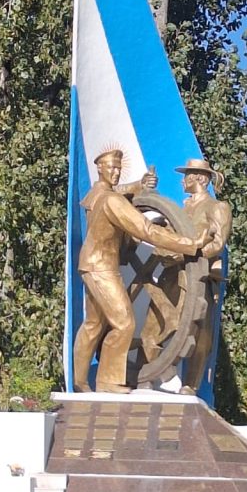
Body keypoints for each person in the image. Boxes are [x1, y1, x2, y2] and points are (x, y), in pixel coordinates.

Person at [73, 148, 213, 394]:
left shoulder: (96, 196)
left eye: (118, 168)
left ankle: (80, 381)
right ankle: (107, 382)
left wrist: (139, 185)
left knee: (94, 324)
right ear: (99, 169)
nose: (116, 172)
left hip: (92, 265)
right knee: (124, 323)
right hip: (102, 268)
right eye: (111, 168)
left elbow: (116, 191)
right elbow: (147, 231)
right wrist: (190, 244)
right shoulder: (112, 201)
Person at [141, 158, 232, 393]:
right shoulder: (181, 209)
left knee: (199, 336)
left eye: (187, 176)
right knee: (152, 327)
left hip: (198, 279)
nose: (183, 181)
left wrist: (185, 254)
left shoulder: (217, 207)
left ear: (200, 178)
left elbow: (217, 244)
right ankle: (148, 376)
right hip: (170, 276)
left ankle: (191, 385)